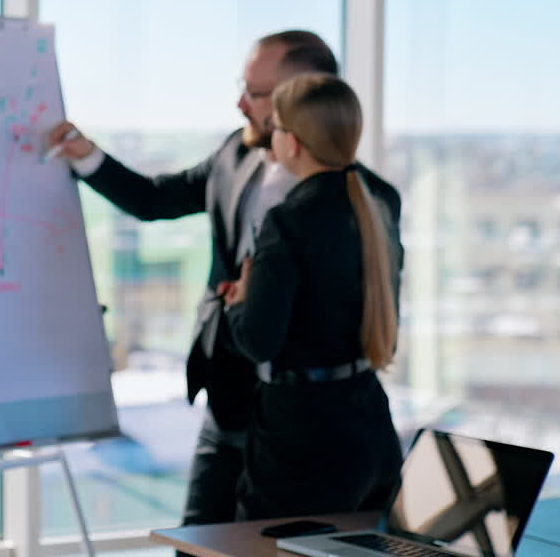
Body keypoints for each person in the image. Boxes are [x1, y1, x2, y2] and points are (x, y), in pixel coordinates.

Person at [46, 30, 352, 526]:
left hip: (305, 424)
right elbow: (154, 200)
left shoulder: (356, 200)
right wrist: (86, 157)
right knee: (198, 541)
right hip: (227, 406)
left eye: (254, 93)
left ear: (304, 93)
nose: (239, 103)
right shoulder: (236, 153)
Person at [222, 72, 403, 519]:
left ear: (294, 144)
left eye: (277, 128)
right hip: (369, 423)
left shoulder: (289, 220)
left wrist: (238, 303)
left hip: (301, 437)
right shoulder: (378, 203)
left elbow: (259, 341)